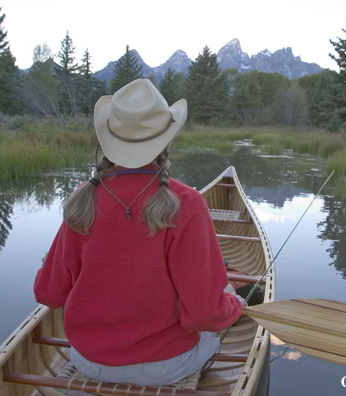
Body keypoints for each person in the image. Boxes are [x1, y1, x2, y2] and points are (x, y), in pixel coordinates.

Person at [33, 79, 246, 386]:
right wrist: (235, 305)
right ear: (166, 141)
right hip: (164, 368)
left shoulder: (83, 198)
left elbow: (47, 294)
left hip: (87, 361)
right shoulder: (186, 203)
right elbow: (203, 314)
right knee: (221, 302)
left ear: (109, 139)